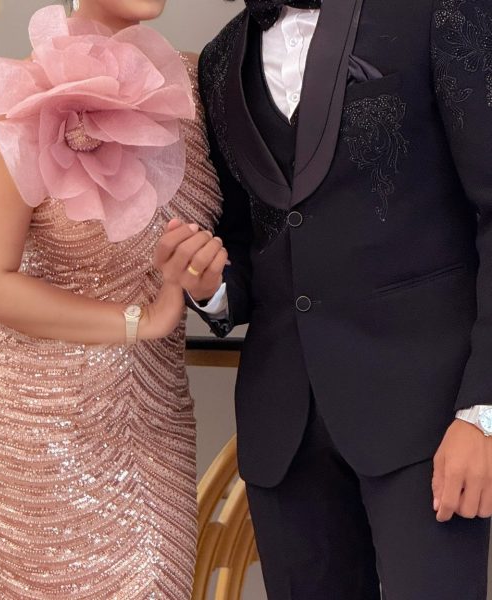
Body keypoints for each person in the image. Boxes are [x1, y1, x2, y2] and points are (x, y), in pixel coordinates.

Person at [155, 0, 492, 598]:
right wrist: (211, 289)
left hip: (429, 420)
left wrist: (483, 413)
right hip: (285, 435)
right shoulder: (219, 60)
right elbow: (248, 243)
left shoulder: (437, 9)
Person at [0, 1, 226, 598]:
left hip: (153, 421)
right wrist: (141, 320)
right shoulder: (25, 95)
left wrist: (206, 283)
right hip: (28, 423)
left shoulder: (201, 84)